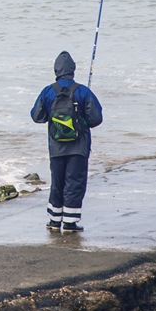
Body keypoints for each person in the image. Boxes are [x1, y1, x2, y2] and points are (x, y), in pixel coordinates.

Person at [29, 50, 103, 232]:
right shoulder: (83, 91)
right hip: (79, 147)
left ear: (56, 70)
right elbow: (96, 119)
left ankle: (54, 221)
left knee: (57, 182)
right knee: (75, 182)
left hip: (56, 146)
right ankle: (70, 223)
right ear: (73, 70)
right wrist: (82, 120)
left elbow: (36, 116)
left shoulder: (48, 91)